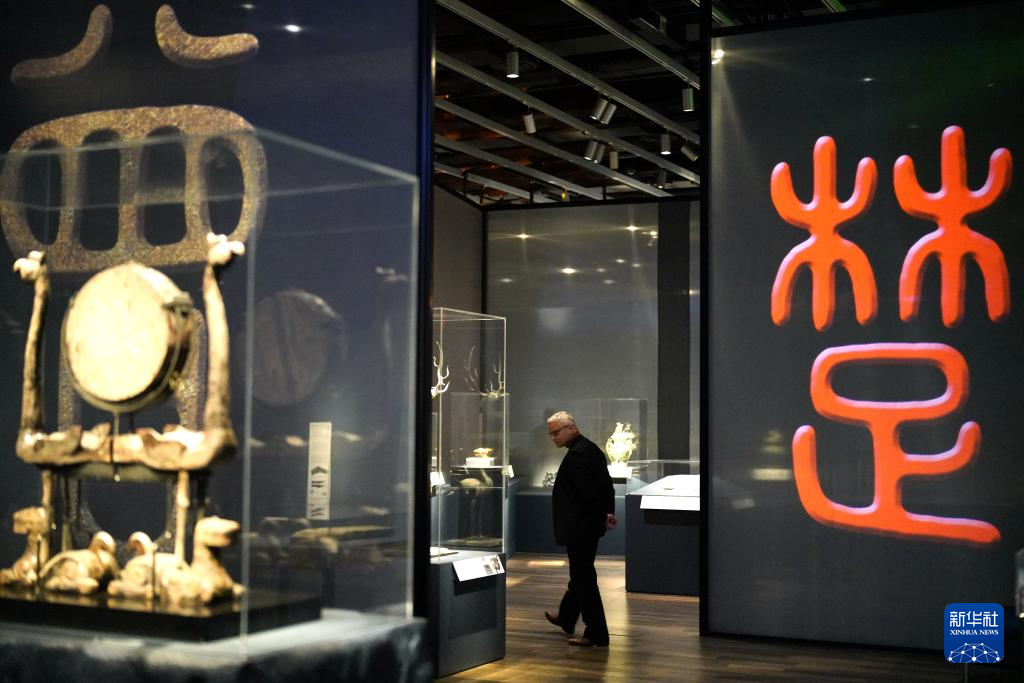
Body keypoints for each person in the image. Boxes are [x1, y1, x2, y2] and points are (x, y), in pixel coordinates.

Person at [543, 410, 617, 647]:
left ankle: (597, 633)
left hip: (580, 528)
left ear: (570, 428)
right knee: (580, 575)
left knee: (584, 578)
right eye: (551, 434)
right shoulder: (590, 449)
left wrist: (603, 515)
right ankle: (566, 617)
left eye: (556, 433)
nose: (553, 438)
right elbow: (606, 487)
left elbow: (588, 495)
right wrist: (607, 513)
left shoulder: (577, 455)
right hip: (588, 526)